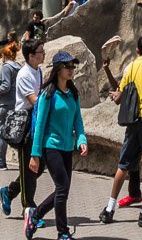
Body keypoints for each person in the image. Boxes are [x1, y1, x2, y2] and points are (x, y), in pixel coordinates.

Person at [98, 35, 142, 227]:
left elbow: (119, 97)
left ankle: (109, 208)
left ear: (137, 50)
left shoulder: (129, 67)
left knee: (125, 164)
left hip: (133, 120)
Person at [25, 52, 88, 240]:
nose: (71, 70)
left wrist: (82, 139)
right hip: (50, 145)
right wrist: (35, 154)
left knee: (64, 189)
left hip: (67, 146)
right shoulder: (48, 94)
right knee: (62, 187)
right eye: (68, 66)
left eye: (73, 66)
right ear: (58, 69)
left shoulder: (73, 94)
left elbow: (78, 120)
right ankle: (63, 233)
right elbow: (39, 125)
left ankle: (35, 215)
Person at [0, 38, 45, 219]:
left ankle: (8, 192)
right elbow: (35, 100)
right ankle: (29, 210)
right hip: (25, 124)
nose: (43, 54)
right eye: (40, 52)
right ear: (31, 55)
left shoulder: (38, 71)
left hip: (36, 122)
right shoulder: (24, 74)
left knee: (38, 168)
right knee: (28, 169)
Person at [0, 41, 21, 170]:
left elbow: (6, 86)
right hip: (17, 103)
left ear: (4, 55)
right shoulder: (19, 67)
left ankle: (0, 161)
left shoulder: (6, 67)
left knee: (2, 132)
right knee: (16, 133)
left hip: (6, 104)